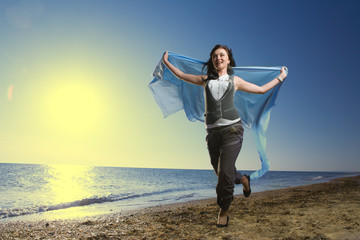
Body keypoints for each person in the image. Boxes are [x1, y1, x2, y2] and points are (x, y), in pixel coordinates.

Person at [162, 44, 287, 227]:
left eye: (222, 55)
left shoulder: (235, 81)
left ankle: (223, 211)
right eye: (214, 56)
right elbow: (182, 75)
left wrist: (280, 77)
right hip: (212, 134)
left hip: (232, 131)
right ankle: (244, 179)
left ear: (228, 60)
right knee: (222, 174)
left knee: (225, 177)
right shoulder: (205, 80)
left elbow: (261, 90)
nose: (218, 58)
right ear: (212, 61)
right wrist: (167, 62)